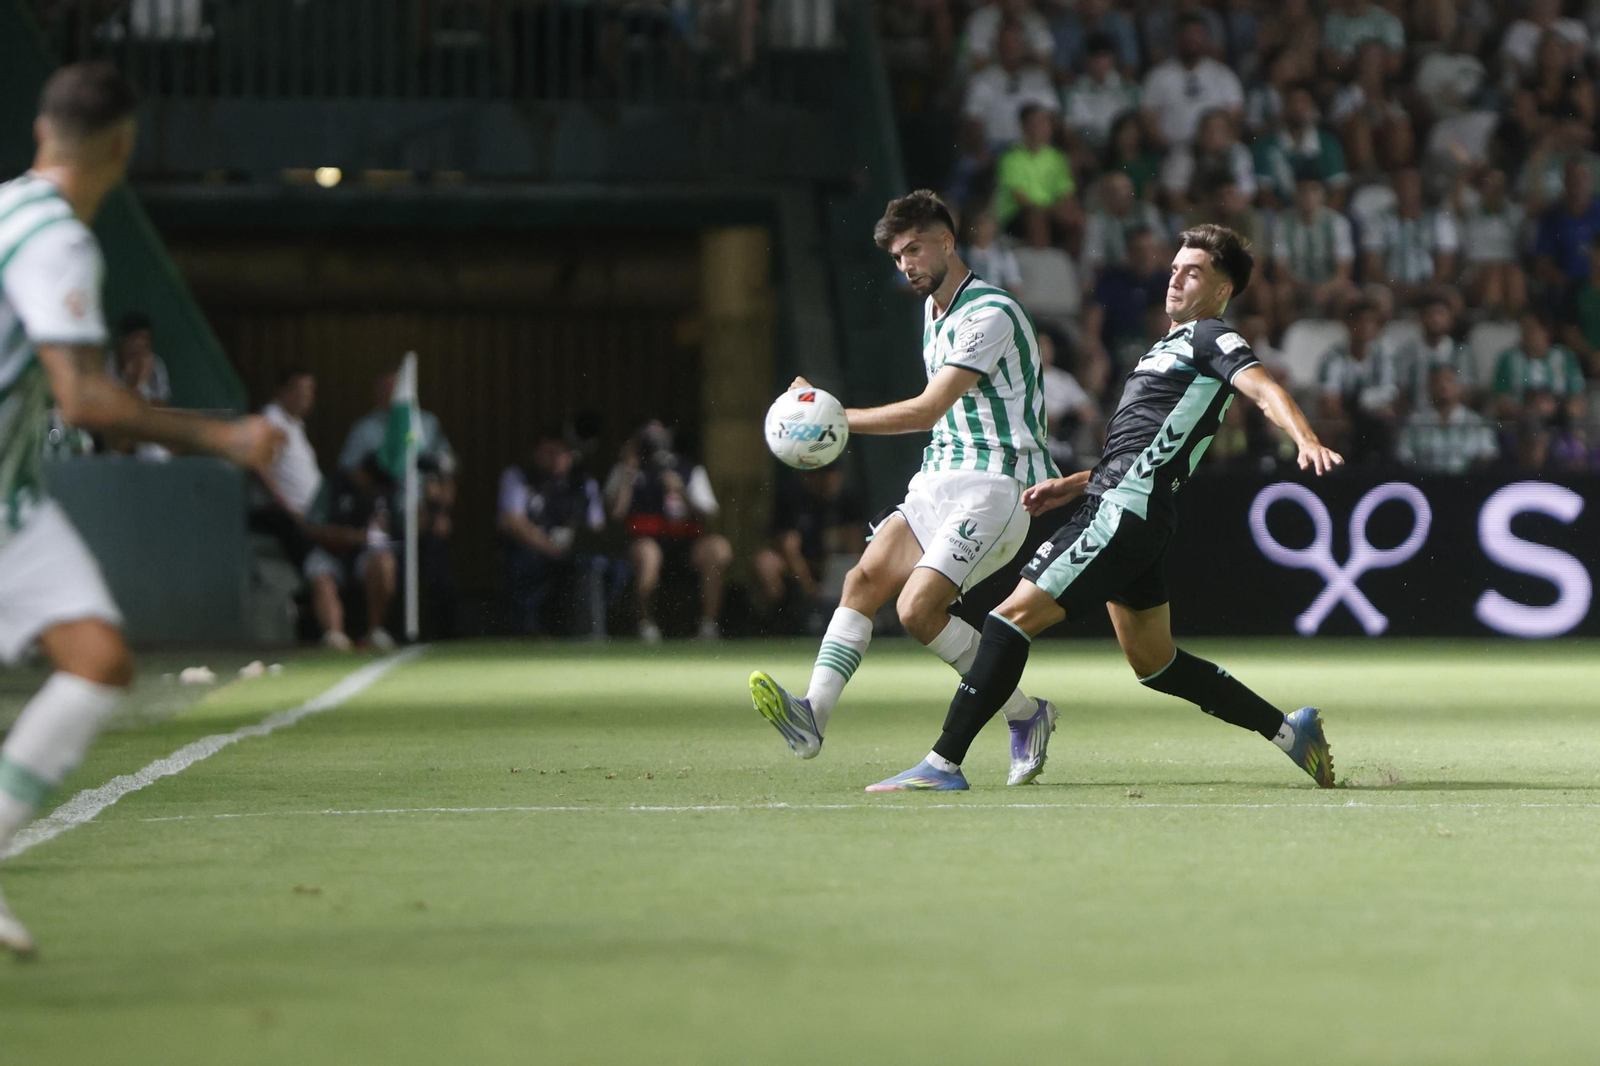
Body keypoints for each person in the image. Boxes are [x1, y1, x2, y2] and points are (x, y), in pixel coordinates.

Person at [864, 224, 1342, 792]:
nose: (1176, 278)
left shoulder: (1213, 337)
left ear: (1220, 291)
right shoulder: (1164, 350)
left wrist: (1305, 437)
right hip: (1132, 507)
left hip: (1123, 511)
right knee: (1155, 663)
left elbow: (1264, 389)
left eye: (1194, 272)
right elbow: (1147, 448)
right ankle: (1292, 734)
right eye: (1174, 268)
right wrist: (1075, 483)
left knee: (1007, 619)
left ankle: (943, 763)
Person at [0, 63, 284, 954]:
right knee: (94, 661)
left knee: (97, 659)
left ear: (44, 131)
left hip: (12, 499)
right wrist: (226, 438)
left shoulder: (6, 205)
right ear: (123, 147)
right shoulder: (56, 240)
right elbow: (84, 399)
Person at [749, 190, 1062, 787]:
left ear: (948, 240)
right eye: (897, 257)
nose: (907, 264)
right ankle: (812, 716)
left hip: (995, 484)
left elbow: (928, 408)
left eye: (914, 249)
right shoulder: (933, 313)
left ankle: (1022, 714)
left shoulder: (987, 312)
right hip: (938, 478)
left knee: (917, 609)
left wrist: (831, 417)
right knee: (861, 581)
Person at [338, 367, 457, 639]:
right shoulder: (365, 429)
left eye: (395, 389)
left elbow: (446, 471)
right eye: (384, 390)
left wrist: (441, 513)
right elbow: (350, 473)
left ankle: (444, 636)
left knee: (440, 579)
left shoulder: (425, 423)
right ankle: (389, 633)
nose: (390, 396)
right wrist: (377, 496)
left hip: (425, 516)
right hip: (384, 517)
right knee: (389, 574)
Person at [605, 420, 732, 642]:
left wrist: (681, 491)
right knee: (649, 554)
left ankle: (708, 625)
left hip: (685, 542)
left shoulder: (689, 469)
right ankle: (645, 625)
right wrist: (628, 474)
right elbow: (614, 515)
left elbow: (710, 515)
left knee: (718, 549)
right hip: (645, 542)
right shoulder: (626, 470)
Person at [499, 436, 609, 637]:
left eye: (563, 453)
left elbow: (596, 527)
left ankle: (588, 632)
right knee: (523, 561)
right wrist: (549, 547)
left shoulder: (583, 481)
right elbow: (512, 522)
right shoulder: (519, 476)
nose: (557, 458)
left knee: (603, 564)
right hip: (534, 548)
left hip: (574, 551)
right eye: (551, 452)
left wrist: (574, 542)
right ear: (537, 452)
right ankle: (526, 632)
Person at [749, 467, 866, 629]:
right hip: (797, 565)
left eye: (833, 474)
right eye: (823, 474)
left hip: (830, 565)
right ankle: (772, 626)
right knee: (765, 562)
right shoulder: (793, 498)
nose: (829, 480)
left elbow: (855, 547)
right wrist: (808, 585)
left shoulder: (847, 499)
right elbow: (789, 548)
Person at [303, 455, 398, 651]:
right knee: (320, 574)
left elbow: (387, 532)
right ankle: (334, 634)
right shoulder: (333, 486)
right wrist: (349, 536)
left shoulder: (381, 494)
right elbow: (312, 529)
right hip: (330, 551)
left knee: (384, 563)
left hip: (361, 555)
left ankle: (375, 631)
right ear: (363, 475)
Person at [1139, 15, 1243, 150]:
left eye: (1198, 34)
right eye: (1187, 34)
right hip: (1175, 151)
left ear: (1206, 38)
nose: (1192, 39)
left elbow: (1236, 115)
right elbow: (1149, 117)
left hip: (1218, 150)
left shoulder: (1223, 75)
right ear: (1177, 38)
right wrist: (1166, 147)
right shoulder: (1158, 76)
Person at [1317, 300, 1401, 461]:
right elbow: (1329, 403)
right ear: (1348, 325)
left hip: (1374, 420)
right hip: (1346, 420)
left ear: (1377, 329)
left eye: (1370, 322)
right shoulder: (1332, 358)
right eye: (1359, 321)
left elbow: (1391, 399)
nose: (1364, 327)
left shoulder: (1383, 357)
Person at [993, 103, 1080, 249]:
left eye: (1045, 123)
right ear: (1024, 126)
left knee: (1078, 219)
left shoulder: (1058, 158)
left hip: (1050, 213)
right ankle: (1040, 263)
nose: (1042, 128)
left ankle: (1069, 266)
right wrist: (1049, 211)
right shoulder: (1010, 158)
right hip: (1017, 216)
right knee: (1036, 215)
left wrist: (1062, 211)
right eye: (1036, 123)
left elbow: (1067, 194)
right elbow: (1020, 198)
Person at [1397, 366, 1500, 474]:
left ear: (1459, 387)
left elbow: (1488, 455)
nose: (1443, 386)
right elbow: (1404, 455)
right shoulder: (1416, 422)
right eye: (1437, 382)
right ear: (1428, 389)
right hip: (1425, 483)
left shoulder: (1476, 422)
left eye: (1449, 380)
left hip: (1466, 485)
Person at [1491, 312, 1587, 424]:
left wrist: (1557, 411)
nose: (1526, 334)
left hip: (1558, 424)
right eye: (1523, 329)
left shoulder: (1565, 357)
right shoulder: (1508, 358)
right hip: (1520, 425)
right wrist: (1526, 412)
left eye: (1531, 329)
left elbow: (1578, 399)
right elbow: (1498, 400)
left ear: (1547, 331)